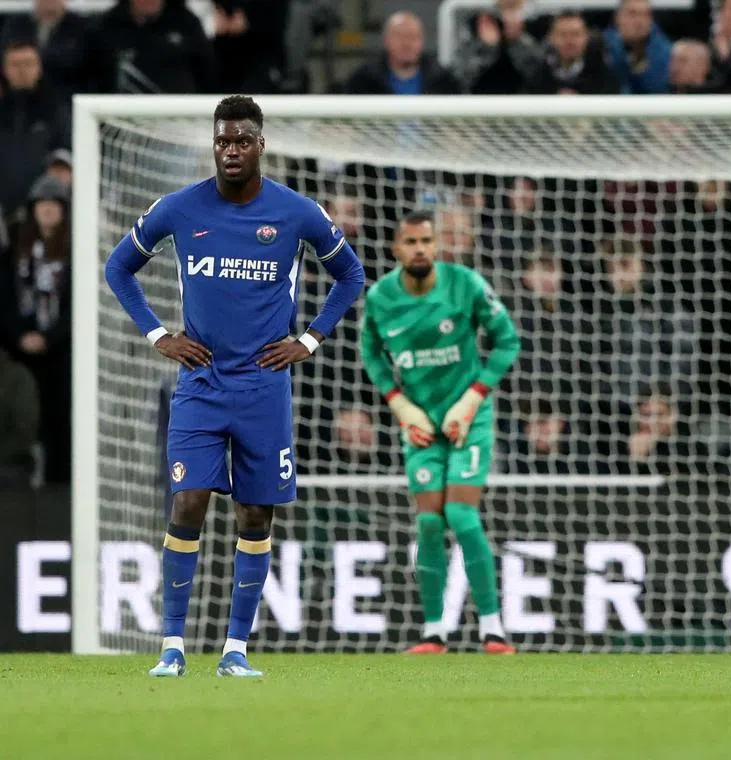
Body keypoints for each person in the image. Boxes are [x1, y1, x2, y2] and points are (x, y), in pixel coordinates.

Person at [103, 95, 365, 677]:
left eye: (242, 140)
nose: (230, 150)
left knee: (255, 516)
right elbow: (117, 267)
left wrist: (311, 340)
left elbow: (351, 274)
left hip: (264, 387)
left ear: (260, 144)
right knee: (188, 500)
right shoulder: (178, 208)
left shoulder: (297, 212)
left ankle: (234, 651)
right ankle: (171, 648)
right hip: (199, 383)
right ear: (213, 143)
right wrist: (156, 335)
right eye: (222, 140)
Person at [360, 210, 520, 655]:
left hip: (468, 419)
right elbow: (370, 354)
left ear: (437, 245)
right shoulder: (380, 298)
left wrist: (472, 399)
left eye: (426, 240)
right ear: (396, 249)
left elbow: (507, 341)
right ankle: (435, 632)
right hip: (421, 425)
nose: (419, 249)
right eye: (410, 241)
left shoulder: (465, 284)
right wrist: (401, 405)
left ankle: (493, 629)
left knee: (463, 516)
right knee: (429, 522)